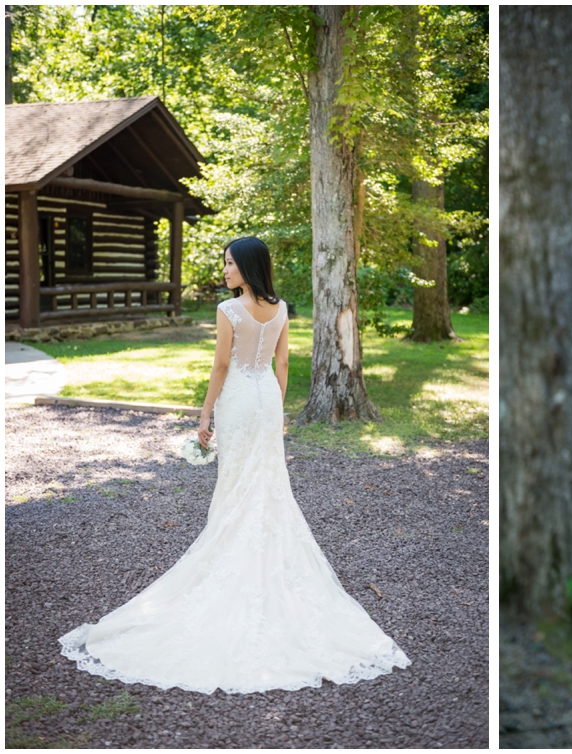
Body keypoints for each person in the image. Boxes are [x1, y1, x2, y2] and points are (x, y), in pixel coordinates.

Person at [59, 237, 410, 694]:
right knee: (265, 483)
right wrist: (277, 406)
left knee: (239, 483)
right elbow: (281, 361)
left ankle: (233, 553)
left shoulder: (229, 311)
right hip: (266, 400)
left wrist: (205, 415)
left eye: (228, 264)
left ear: (246, 266)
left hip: (240, 401)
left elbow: (222, 365)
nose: (224, 271)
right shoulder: (281, 308)